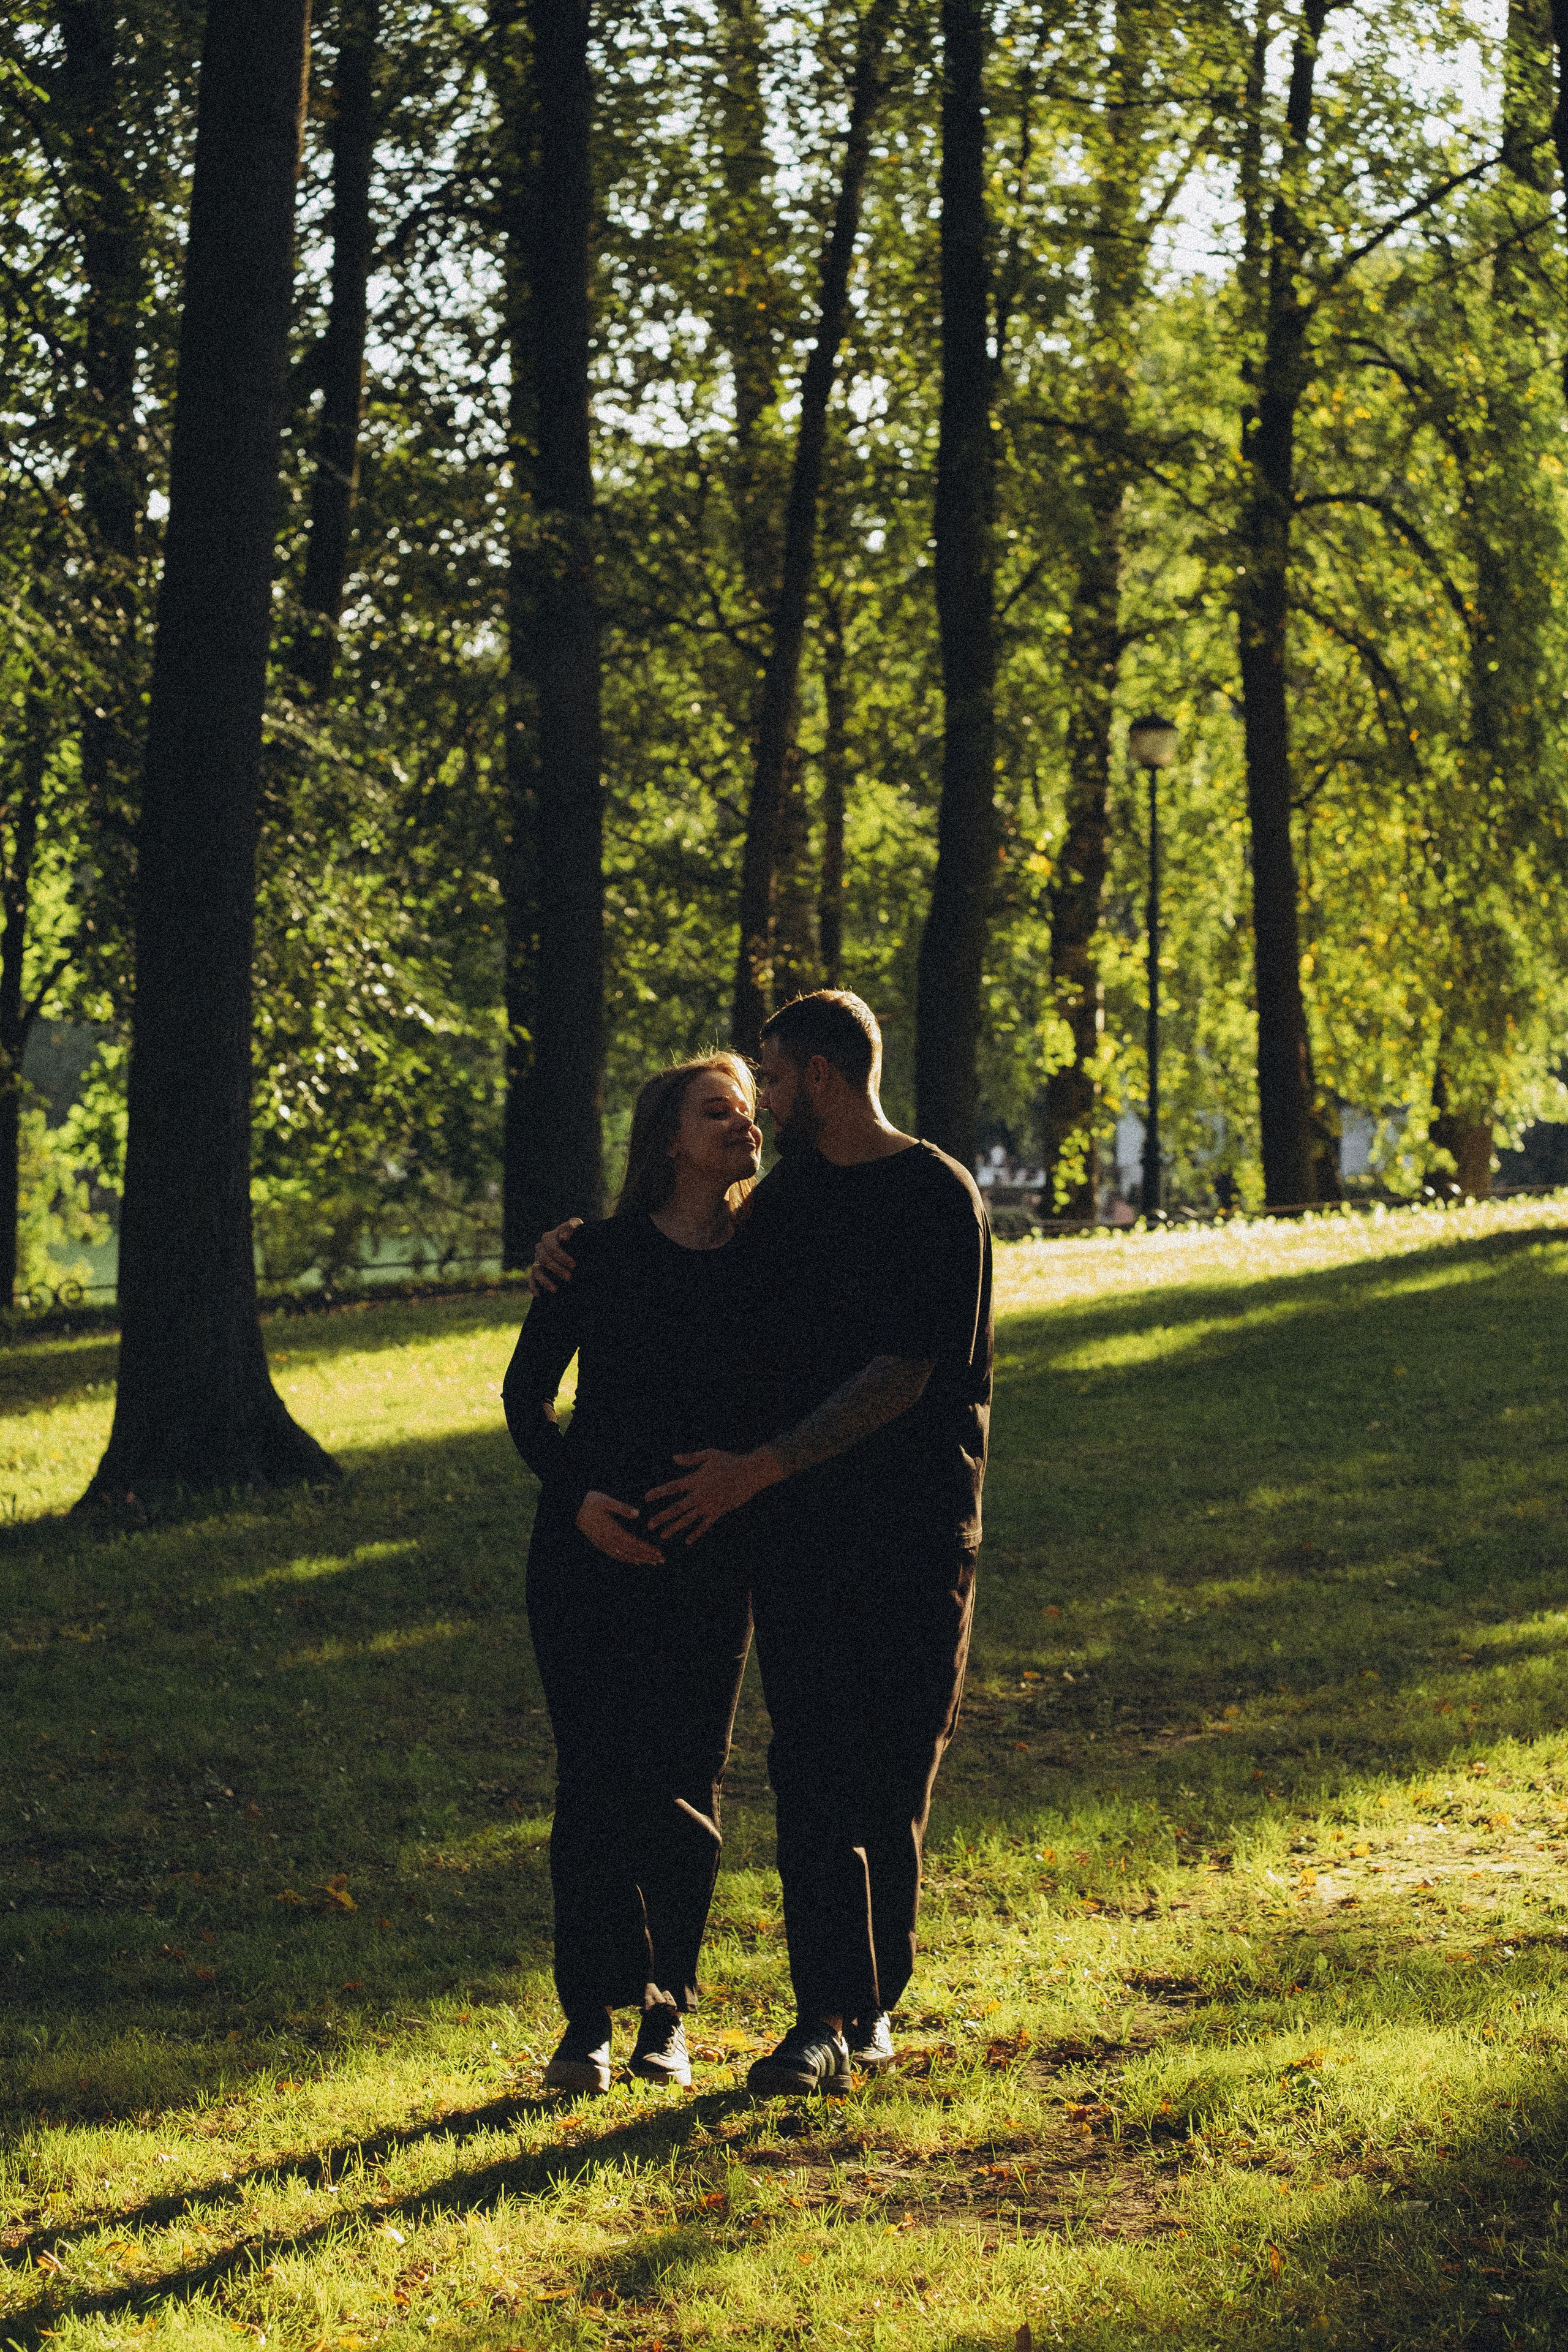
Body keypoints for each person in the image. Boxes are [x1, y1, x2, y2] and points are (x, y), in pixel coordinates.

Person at [532, 990, 993, 2097]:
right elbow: (680, 1269)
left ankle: (871, 2004)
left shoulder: (937, 1195)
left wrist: (764, 1465)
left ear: (821, 1077)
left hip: (915, 1532)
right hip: (795, 1540)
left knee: (892, 1771)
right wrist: (569, 1251)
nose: (764, 1104)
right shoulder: (784, 1203)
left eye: (773, 1081)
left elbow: (904, 1371)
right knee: (811, 1768)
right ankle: (821, 2019)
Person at [501, 1054, 762, 2095]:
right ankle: (586, 2022)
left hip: (710, 1555)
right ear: (668, 1138)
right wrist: (579, 1500)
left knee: (685, 1783)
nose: (744, 1125)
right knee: (596, 1779)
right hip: (585, 1555)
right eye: (718, 1111)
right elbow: (526, 1397)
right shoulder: (593, 1256)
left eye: (750, 1110)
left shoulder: (767, 1259)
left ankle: (667, 2014)